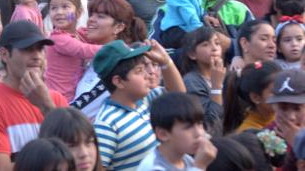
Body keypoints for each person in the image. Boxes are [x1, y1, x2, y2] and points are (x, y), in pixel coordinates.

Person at [0, 21, 68, 170]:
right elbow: (1, 169)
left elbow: (75, 154)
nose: (37, 56)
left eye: (41, 49)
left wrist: (47, 107)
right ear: (4, 54)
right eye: (28, 49)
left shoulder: (56, 100)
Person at [92, 40, 186, 170]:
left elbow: (179, 96)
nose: (147, 75)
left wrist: (165, 62)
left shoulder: (146, 99)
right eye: (139, 71)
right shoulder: (107, 123)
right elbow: (98, 166)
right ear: (119, 81)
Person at [138, 92, 218, 170]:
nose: (199, 133)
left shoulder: (185, 158)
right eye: (188, 127)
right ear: (163, 134)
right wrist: (199, 166)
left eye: (199, 124)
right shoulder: (154, 167)